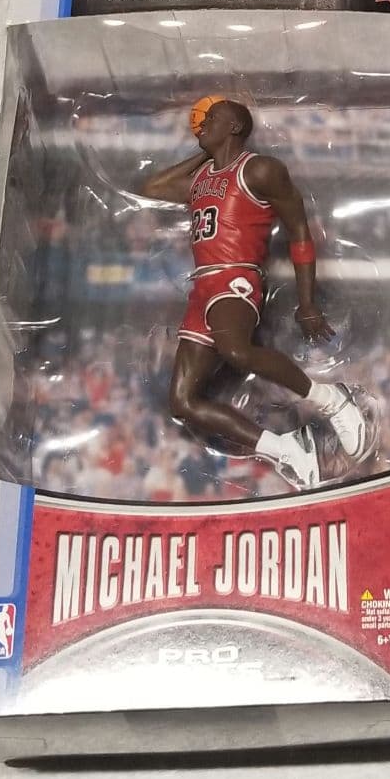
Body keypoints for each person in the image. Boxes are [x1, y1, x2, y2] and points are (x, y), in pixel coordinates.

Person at [138, 98, 370, 488]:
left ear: (234, 127)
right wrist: (206, 153)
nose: (202, 123)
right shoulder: (201, 179)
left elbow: (299, 230)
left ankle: (331, 399)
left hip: (237, 277)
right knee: (182, 403)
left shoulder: (260, 169)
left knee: (236, 351)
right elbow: (151, 187)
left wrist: (307, 301)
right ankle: (284, 448)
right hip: (202, 286)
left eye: (212, 118)